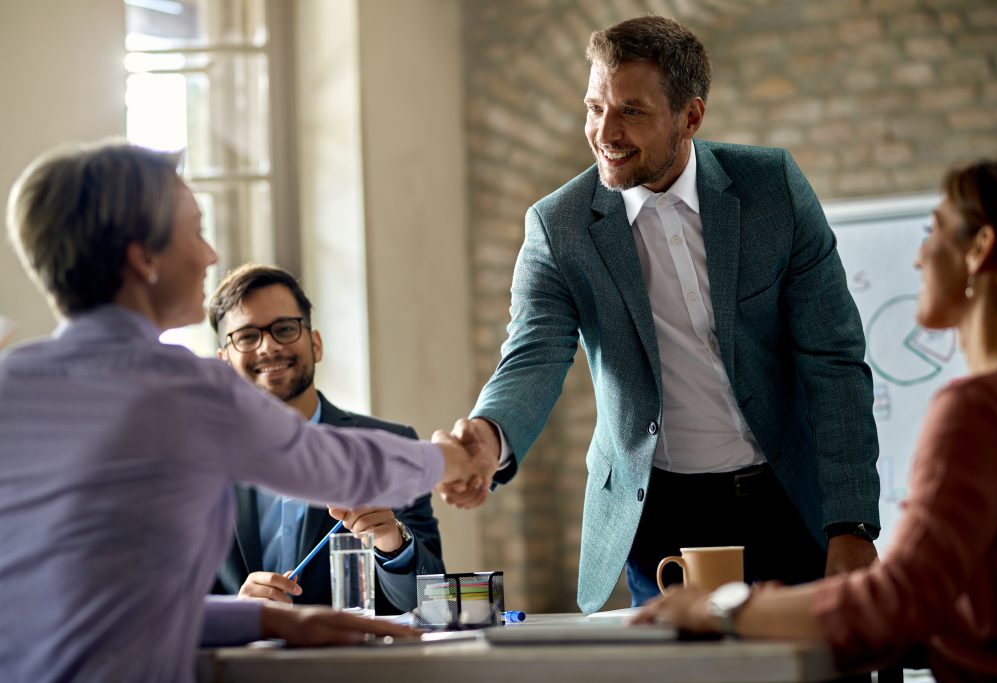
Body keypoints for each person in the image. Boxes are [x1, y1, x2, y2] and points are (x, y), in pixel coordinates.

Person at [0, 140, 484, 682]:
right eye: (195, 229)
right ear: (143, 257)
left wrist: (268, 620)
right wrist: (451, 459)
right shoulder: (183, 386)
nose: (209, 255)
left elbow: (96, 614)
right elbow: (338, 465)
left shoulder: (8, 382)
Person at [442, 15, 880, 613]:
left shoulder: (771, 188)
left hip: (787, 495)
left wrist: (851, 523)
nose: (605, 131)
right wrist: (488, 437)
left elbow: (833, 360)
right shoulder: (558, 225)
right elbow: (533, 355)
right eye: (595, 107)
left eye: (632, 111)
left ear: (691, 116)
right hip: (660, 517)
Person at [633, 160, 997, 680]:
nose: (919, 256)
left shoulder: (979, 411)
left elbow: (900, 601)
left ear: (979, 250)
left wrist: (715, 608)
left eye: (936, 232)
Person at [207, 263, 445, 612]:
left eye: (285, 328)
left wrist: (391, 540)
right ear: (224, 363)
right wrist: (234, 612)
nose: (268, 347)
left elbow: (432, 601)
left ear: (316, 344)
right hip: (240, 664)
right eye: (246, 336)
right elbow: (170, 604)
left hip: (356, 665)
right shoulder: (197, 465)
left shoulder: (392, 445)